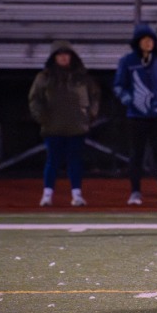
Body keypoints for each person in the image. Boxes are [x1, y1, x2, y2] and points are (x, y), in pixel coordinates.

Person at [113, 23, 157, 206]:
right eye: (144, 40)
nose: (148, 43)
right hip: (136, 116)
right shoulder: (128, 61)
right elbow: (119, 85)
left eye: (151, 40)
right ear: (137, 42)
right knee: (136, 154)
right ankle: (135, 192)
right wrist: (128, 99)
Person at [29, 40, 100, 207]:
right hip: (53, 127)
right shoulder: (44, 77)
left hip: (77, 127)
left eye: (66, 54)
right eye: (60, 54)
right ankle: (47, 195)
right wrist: (42, 117)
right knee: (52, 160)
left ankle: (77, 194)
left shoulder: (82, 78)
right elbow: (35, 99)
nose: (63, 58)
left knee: (75, 161)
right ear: (54, 57)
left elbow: (94, 96)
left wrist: (89, 115)